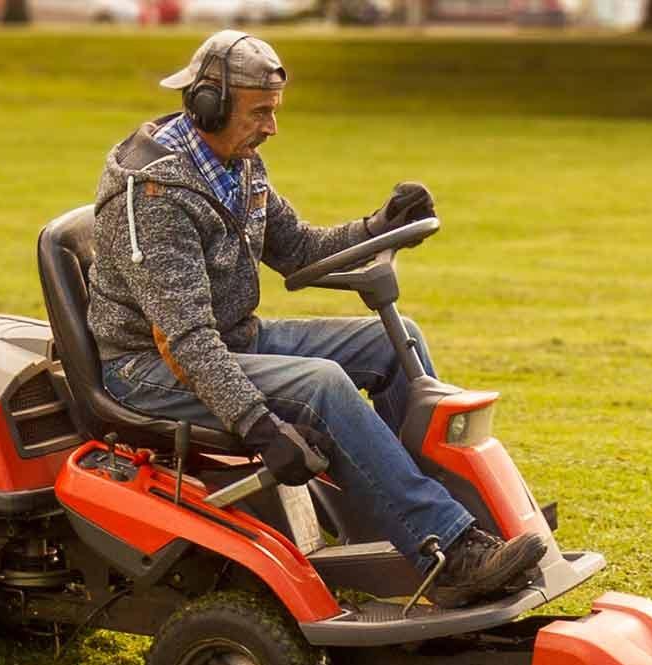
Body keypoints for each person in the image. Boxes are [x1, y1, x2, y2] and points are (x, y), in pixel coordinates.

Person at [83, 30, 550, 607]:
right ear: (210, 104)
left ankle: (453, 521)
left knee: (394, 339)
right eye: (260, 112)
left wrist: (377, 225)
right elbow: (185, 339)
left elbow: (298, 247)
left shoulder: (236, 164)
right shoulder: (155, 196)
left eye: (273, 111)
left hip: (231, 338)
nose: (272, 127)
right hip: (149, 366)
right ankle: (447, 553)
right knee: (321, 385)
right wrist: (257, 425)